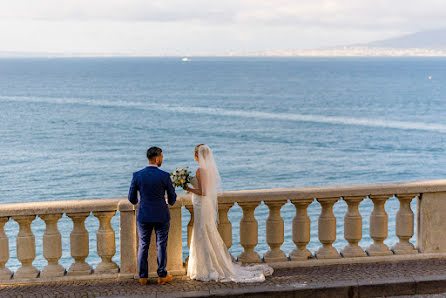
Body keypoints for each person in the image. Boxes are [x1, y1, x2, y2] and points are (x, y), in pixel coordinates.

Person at [185, 144, 273, 282]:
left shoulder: (200, 170)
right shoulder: (208, 170)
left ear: (196, 156)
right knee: (205, 232)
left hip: (201, 205)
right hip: (203, 205)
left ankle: (205, 268)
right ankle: (207, 265)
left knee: (202, 232)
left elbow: (203, 192)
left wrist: (188, 188)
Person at [128, 146, 177, 286]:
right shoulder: (164, 176)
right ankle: (162, 275)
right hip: (161, 214)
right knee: (161, 244)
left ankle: (143, 277)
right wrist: (167, 200)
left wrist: (141, 202)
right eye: (161, 156)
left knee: (143, 245)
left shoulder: (137, 175)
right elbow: (172, 199)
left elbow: (131, 198)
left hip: (144, 215)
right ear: (156, 158)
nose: (162, 159)